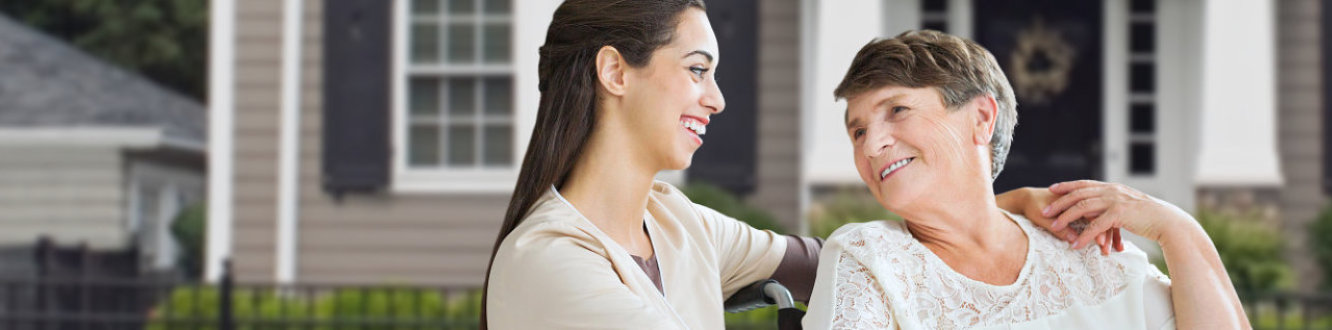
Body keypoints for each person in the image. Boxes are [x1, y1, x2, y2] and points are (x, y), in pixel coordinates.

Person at [480, 3, 1057, 328]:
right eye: (698, 69)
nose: (717, 98)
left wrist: (992, 209)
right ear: (615, 73)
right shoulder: (548, 263)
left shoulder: (679, 225)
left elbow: (843, 259)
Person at [802, 30, 1250, 329]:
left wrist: (1175, 228)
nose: (871, 145)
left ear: (980, 118)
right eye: (857, 131)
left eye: (897, 110)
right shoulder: (871, 260)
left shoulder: (1088, 253)